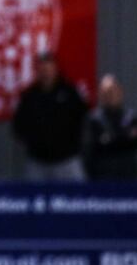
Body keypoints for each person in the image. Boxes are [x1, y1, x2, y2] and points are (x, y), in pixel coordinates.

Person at [12, 52, 88, 181]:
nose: (46, 73)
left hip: (67, 160)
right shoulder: (30, 96)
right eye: (42, 69)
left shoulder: (70, 93)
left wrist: (72, 143)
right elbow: (18, 125)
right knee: (34, 198)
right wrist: (32, 142)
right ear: (37, 71)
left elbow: (82, 119)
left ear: (55, 69)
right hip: (38, 161)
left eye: (48, 68)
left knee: (77, 198)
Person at [83, 75, 137, 180]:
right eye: (106, 93)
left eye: (112, 91)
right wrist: (125, 137)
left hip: (128, 176)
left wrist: (110, 139)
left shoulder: (131, 117)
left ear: (120, 92)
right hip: (101, 177)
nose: (110, 96)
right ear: (100, 95)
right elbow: (90, 147)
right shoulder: (93, 119)